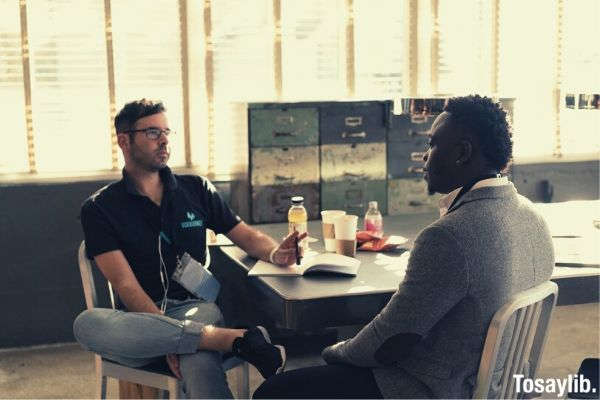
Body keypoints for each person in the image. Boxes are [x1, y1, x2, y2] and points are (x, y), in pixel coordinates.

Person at [253, 95, 555, 399]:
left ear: (462, 152)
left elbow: (391, 342)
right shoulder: (533, 218)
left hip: (431, 390)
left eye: (433, 144)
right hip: (498, 387)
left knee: (274, 391)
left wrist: (334, 353)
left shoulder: (449, 236)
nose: (424, 156)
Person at [73, 99, 306, 399]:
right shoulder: (100, 208)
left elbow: (245, 235)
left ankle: (209, 339)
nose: (165, 140)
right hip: (140, 324)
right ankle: (237, 339)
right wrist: (168, 336)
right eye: (153, 132)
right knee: (87, 324)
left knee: (196, 355)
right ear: (124, 140)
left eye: (166, 131)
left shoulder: (196, 188)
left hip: (197, 308)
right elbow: (125, 285)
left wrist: (277, 253)